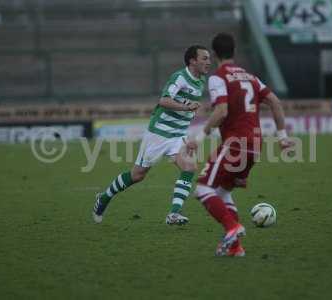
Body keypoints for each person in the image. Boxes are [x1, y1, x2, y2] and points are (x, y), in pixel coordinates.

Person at [192, 33, 293, 257]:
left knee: (203, 188)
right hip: (255, 145)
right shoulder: (251, 77)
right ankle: (236, 248)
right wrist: (283, 136)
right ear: (234, 52)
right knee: (223, 191)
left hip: (236, 142)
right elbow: (275, 101)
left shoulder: (218, 77)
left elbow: (221, 111)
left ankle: (233, 227)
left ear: (215, 54)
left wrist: (199, 136)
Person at [93, 45, 211, 225]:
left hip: (177, 135)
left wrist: (191, 118)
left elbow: (189, 107)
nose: (208, 62)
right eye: (204, 58)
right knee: (137, 175)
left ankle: (174, 213)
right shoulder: (180, 77)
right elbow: (163, 100)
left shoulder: (201, 81)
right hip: (159, 133)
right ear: (192, 61)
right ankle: (104, 197)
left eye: (209, 58)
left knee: (189, 167)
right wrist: (186, 106)